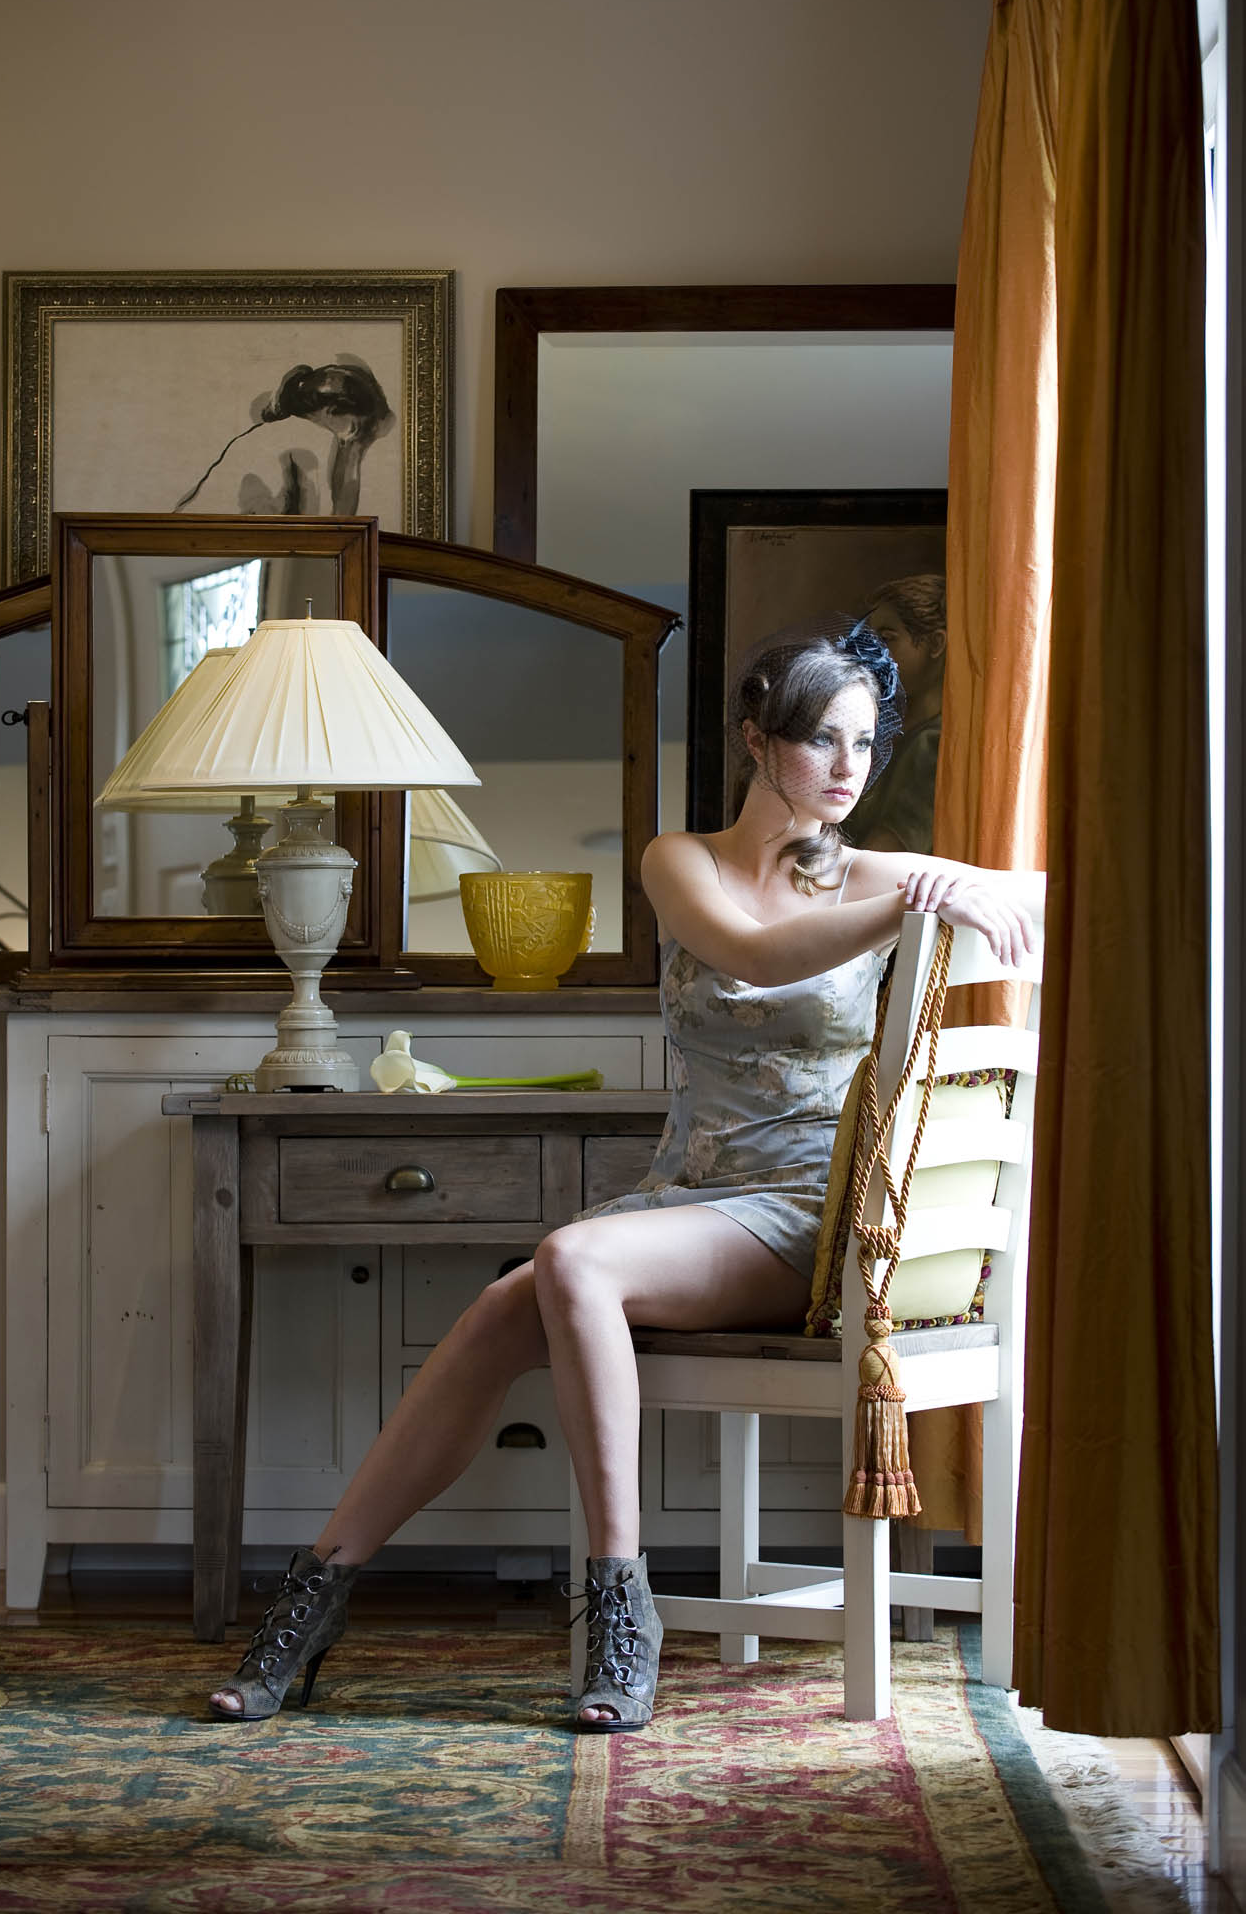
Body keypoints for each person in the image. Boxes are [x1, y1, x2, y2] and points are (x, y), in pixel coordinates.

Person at [205, 624, 1035, 1730]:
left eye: (865, 743)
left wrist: (949, 892)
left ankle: (617, 1603)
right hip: (684, 1201)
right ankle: (313, 1600)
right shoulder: (678, 860)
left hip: (812, 1214)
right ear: (756, 740)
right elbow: (750, 953)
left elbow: (1027, 896)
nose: (850, 766)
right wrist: (912, 902)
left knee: (571, 1259)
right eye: (821, 739)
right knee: (504, 1311)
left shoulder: (875, 873)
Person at [175, 356, 396, 516]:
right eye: (356, 426)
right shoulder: (306, 443)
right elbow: (320, 530)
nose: (355, 436)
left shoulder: (283, 432)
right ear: (331, 412)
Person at [842, 573, 946, 853]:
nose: (871, 654)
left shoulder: (934, 744)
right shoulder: (882, 731)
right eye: (871, 639)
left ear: (936, 644)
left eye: (887, 639)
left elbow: (891, 845)